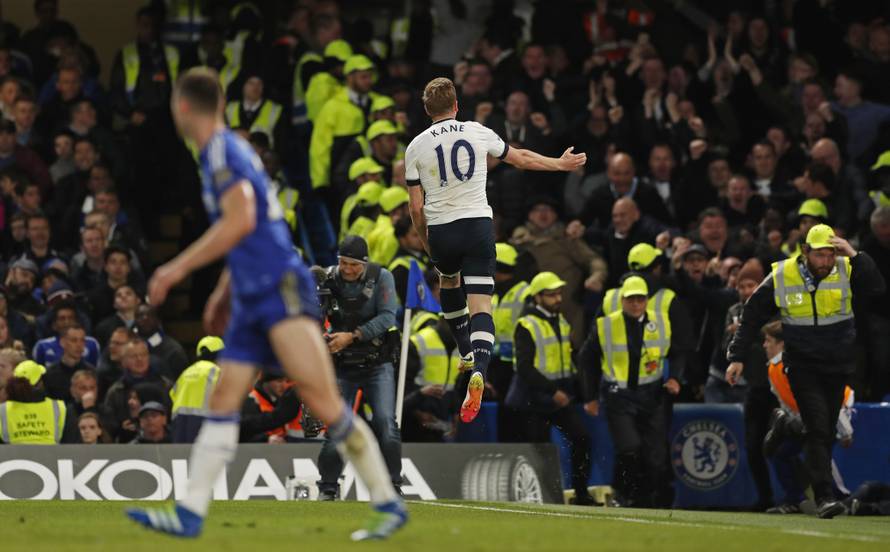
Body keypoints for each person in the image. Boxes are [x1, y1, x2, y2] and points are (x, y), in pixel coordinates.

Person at [127, 68, 406, 540]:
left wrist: (175, 268)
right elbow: (250, 231)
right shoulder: (226, 150)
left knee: (321, 399)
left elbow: (241, 220)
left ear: (182, 107)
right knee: (223, 399)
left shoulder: (220, 151)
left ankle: (387, 501)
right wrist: (222, 291)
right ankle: (190, 512)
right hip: (256, 288)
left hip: (279, 286)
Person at [405, 77, 586, 422]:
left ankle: (465, 352)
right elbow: (521, 158)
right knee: (481, 302)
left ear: (427, 110)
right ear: (456, 105)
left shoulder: (415, 146)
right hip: (477, 224)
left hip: (442, 226)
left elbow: (416, 208)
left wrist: (428, 241)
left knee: (448, 282)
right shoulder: (476, 131)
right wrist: (559, 164)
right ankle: (481, 368)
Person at [726, 224, 886, 517]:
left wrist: (853, 253)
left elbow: (877, 289)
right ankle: (824, 496)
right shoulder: (783, 275)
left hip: (838, 365)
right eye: (819, 255)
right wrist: (736, 356)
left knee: (823, 431)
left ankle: (791, 436)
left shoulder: (846, 268)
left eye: (829, 254)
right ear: (805, 252)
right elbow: (752, 313)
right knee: (817, 426)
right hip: (802, 365)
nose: (825, 262)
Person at [315, 236, 403, 499]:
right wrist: (320, 335)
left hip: (377, 362)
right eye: (343, 263)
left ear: (364, 264)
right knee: (336, 427)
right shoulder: (327, 279)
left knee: (386, 423)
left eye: (354, 264)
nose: (348, 269)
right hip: (342, 365)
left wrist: (351, 336)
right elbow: (312, 313)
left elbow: (388, 316)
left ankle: (393, 486)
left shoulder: (382, 278)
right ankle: (328, 487)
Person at [584, 276, 682, 507]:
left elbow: (678, 351)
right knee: (629, 447)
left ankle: (645, 500)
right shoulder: (606, 324)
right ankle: (622, 493)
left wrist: (675, 377)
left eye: (640, 299)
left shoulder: (662, 322)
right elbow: (586, 359)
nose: (636, 304)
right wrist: (590, 396)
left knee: (655, 455)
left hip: (652, 395)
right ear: (622, 300)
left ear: (647, 300)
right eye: (631, 299)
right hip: (619, 395)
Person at [506, 272, 597, 506]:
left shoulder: (560, 320)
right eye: (551, 294)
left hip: (557, 396)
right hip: (532, 399)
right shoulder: (526, 324)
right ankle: (543, 500)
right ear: (537, 297)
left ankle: (581, 494)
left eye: (559, 293)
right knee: (540, 452)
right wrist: (552, 391)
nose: (558, 298)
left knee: (582, 439)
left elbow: (568, 360)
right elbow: (524, 368)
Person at [760, 321, 854, 515]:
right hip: (807, 415)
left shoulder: (790, 365)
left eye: (768, 340)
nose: (764, 345)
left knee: (817, 447)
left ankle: (841, 496)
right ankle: (795, 500)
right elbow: (787, 403)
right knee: (779, 451)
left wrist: (845, 430)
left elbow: (829, 398)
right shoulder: (773, 368)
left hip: (840, 407)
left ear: (781, 344)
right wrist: (785, 426)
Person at [0, 360, 78, 444]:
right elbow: (73, 445)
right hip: (53, 456)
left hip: (11, 457)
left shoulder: (3, 411)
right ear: (40, 383)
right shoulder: (60, 408)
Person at [169, 336, 223, 444]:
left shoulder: (186, 372)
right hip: (205, 423)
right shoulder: (217, 371)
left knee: (181, 458)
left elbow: (172, 394)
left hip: (179, 423)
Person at [43, 324, 96, 402]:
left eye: (82, 340)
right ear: (62, 342)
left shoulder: (92, 372)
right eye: (74, 340)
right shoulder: (49, 374)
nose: (79, 345)